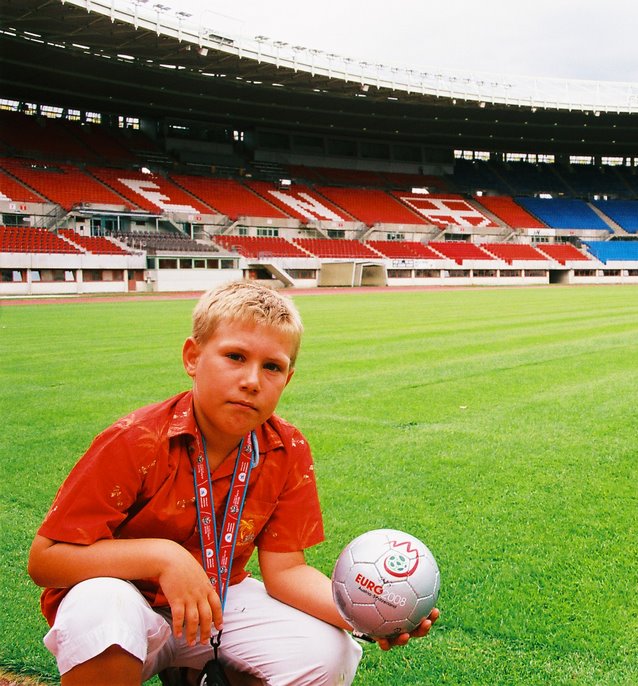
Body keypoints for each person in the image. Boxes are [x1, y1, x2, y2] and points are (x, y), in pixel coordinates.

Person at [27, 281, 438, 685]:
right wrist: (163, 558)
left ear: (287, 379)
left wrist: (367, 614)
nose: (253, 381)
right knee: (101, 607)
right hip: (129, 607)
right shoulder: (137, 438)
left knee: (330, 653)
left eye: (272, 366)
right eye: (235, 357)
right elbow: (46, 560)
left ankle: (190, 673)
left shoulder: (286, 447)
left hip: (219, 599)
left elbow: (285, 571)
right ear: (193, 357)